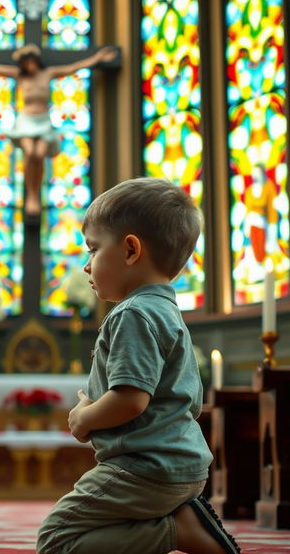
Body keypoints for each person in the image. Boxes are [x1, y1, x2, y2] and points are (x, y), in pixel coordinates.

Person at [36, 177, 241, 554]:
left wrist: (85, 417)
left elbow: (131, 400)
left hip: (144, 469)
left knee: (56, 539)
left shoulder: (132, 314)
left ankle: (181, 531)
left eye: (93, 249)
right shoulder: (165, 310)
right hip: (177, 465)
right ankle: (176, 523)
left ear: (131, 250)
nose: (86, 265)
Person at [0, 43, 117, 218]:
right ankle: (31, 195)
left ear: (36, 61)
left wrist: (98, 58)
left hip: (44, 121)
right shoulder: (19, 76)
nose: (28, 67)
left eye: (30, 62)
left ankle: (36, 192)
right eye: (25, 64)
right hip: (25, 122)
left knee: (40, 153)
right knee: (30, 152)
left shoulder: (48, 74)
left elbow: (74, 67)